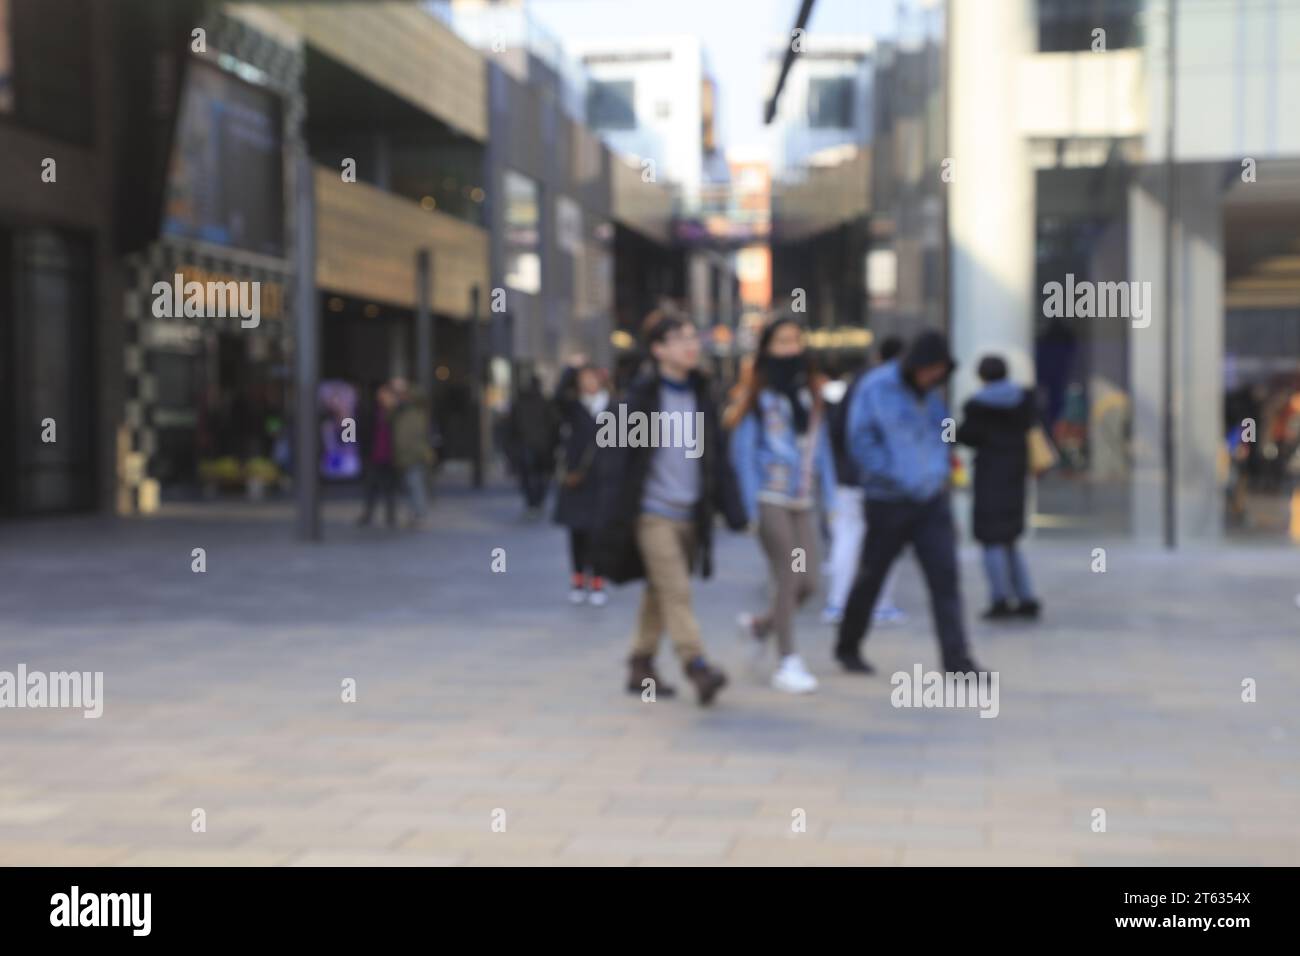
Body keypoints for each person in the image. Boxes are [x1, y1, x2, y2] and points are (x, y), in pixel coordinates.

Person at [595, 310, 747, 706]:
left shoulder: (702, 395)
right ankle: (697, 665)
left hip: (690, 514)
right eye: (680, 338)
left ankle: (640, 662)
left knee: (660, 590)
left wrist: (733, 509)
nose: (691, 345)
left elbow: (717, 458)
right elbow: (613, 462)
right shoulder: (638, 398)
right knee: (676, 590)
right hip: (651, 513)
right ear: (659, 349)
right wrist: (609, 518)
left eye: (692, 337)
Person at [834, 329, 982, 675]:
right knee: (872, 575)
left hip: (931, 501)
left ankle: (957, 660)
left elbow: (943, 430)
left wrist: (941, 470)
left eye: (941, 371)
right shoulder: (877, 387)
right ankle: (848, 644)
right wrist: (893, 475)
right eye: (931, 369)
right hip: (889, 501)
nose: (935, 377)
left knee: (945, 579)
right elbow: (860, 440)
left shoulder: (932, 396)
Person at [727, 318, 836, 694]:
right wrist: (748, 510)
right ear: (767, 348)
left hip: (803, 499)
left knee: (808, 582)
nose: (790, 348)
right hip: (770, 496)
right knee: (789, 574)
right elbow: (742, 453)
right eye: (781, 341)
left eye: (795, 340)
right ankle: (788, 661)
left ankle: (760, 626)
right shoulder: (758, 395)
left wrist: (831, 500)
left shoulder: (811, 394)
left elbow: (822, 451)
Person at [822, 336, 906, 626]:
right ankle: (881, 603)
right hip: (882, 478)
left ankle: (838, 602)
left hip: (850, 476)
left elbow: (835, 429)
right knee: (884, 540)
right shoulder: (896, 387)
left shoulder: (856, 383)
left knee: (848, 535)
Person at [956, 355, 1041, 619]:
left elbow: (968, 437)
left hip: (989, 476)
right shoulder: (1024, 400)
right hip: (1016, 475)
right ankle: (1026, 596)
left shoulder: (977, 405)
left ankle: (1000, 598)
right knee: (1011, 540)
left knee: (991, 539)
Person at [553, 360, 615, 606]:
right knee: (577, 534)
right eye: (583, 379)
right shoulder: (574, 407)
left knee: (599, 534)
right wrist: (570, 368)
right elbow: (557, 396)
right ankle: (578, 580)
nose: (588, 383)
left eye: (591, 378)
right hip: (577, 480)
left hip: (603, 481)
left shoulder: (613, 407)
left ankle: (598, 580)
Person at [507, 375, 558, 518]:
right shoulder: (545, 402)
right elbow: (554, 424)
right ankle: (538, 502)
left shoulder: (519, 403)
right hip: (543, 445)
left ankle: (532, 503)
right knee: (541, 475)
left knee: (527, 476)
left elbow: (511, 426)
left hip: (526, 444)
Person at [390, 379, 433, 529]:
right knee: (408, 486)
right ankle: (414, 514)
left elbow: (420, 396)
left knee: (415, 484)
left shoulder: (417, 409)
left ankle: (419, 514)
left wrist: (405, 389)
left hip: (415, 453)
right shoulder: (399, 411)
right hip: (402, 454)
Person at [357, 383, 399, 528]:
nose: (383, 397)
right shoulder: (372, 411)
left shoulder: (396, 413)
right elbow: (363, 430)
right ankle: (367, 514)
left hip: (390, 456)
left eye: (386, 394)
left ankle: (391, 516)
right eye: (381, 394)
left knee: (389, 488)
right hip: (374, 455)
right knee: (370, 487)